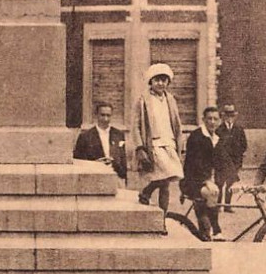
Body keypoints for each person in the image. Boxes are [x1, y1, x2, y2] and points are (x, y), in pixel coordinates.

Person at [132, 63, 184, 216]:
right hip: (153, 144)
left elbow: (177, 123)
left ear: (168, 82)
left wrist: (180, 145)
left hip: (169, 142)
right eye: (157, 80)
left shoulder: (171, 100)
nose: (160, 83)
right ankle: (147, 193)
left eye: (164, 80)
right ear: (151, 81)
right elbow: (136, 125)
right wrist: (140, 147)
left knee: (167, 181)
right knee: (167, 175)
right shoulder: (143, 101)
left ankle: (161, 216)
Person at [181, 106, 224, 241]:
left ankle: (208, 229)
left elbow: (224, 160)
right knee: (211, 193)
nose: (212, 122)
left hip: (207, 180)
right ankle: (215, 229)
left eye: (215, 119)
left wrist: (233, 179)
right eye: (209, 119)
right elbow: (195, 163)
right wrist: (207, 181)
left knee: (215, 192)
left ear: (219, 121)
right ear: (203, 120)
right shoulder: (197, 137)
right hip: (192, 180)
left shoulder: (217, 137)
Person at [73, 101, 127, 182]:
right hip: (94, 179)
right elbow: (78, 161)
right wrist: (96, 164)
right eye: (102, 115)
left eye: (108, 115)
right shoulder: (85, 136)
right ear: (96, 115)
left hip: (115, 177)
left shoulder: (118, 135)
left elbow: (123, 160)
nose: (105, 119)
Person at [215, 102, 248, 212]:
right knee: (219, 183)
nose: (229, 117)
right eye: (227, 115)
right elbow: (216, 146)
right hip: (221, 162)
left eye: (232, 115)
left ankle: (228, 206)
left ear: (235, 116)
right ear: (223, 115)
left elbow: (244, 145)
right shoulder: (218, 130)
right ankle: (218, 205)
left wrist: (237, 156)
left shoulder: (239, 129)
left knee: (230, 183)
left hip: (234, 162)